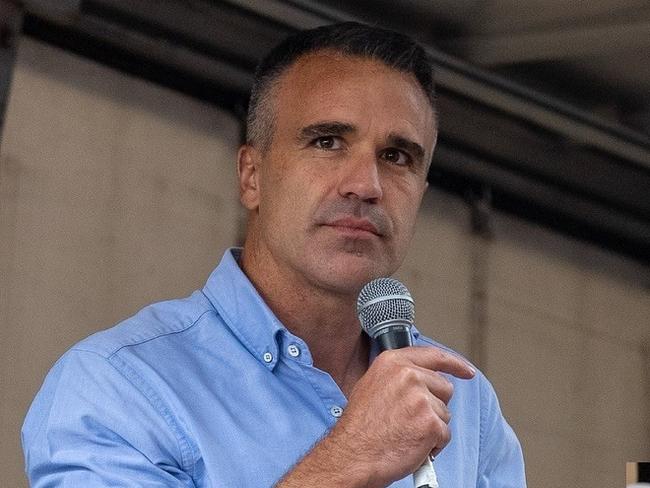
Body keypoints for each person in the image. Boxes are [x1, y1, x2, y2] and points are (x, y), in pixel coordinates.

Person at [22, 22, 526, 487]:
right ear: (251, 176)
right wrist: (348, 460)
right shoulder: (117, 386)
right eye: (328, 142)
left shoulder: (467, 400)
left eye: (397, 157)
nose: (366, 185)